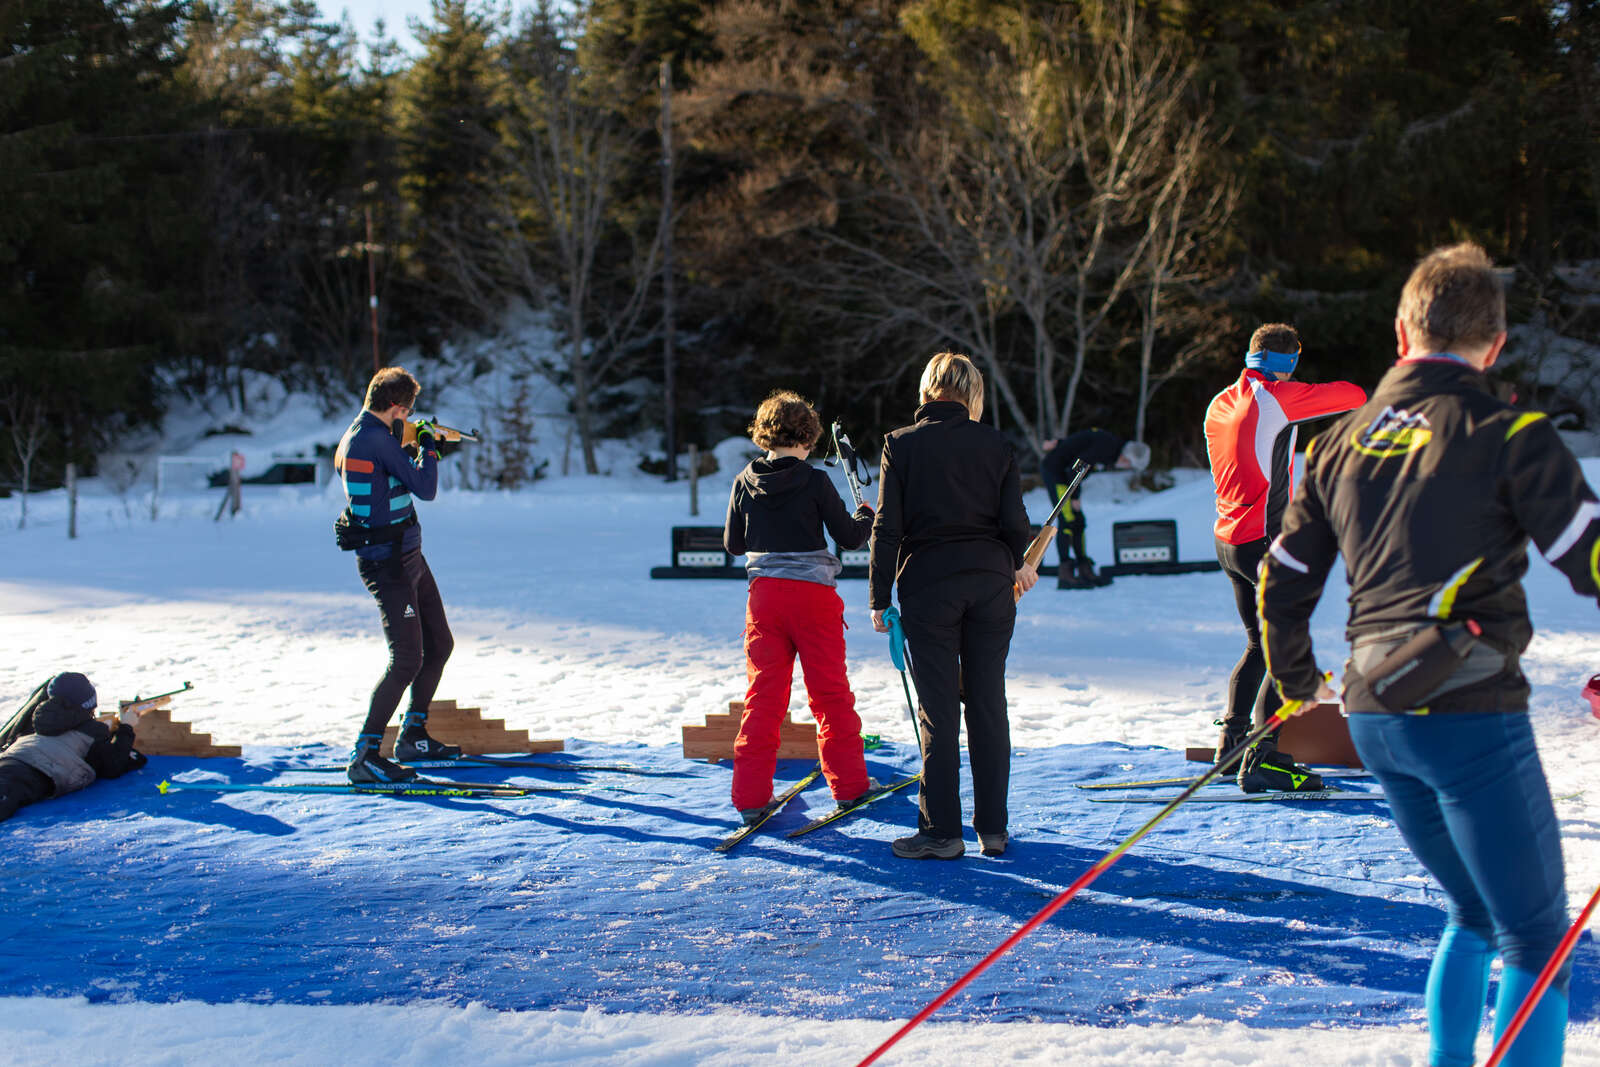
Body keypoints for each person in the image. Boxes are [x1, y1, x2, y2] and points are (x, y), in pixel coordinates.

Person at [1260, 243, 1592, 1066]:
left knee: (1474, 911)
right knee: (1536, 936)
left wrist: (1297, 682)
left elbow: (1282, 578)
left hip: (1376, 713)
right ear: (1496, 344)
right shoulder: (1508, 429)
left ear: (1402, 334)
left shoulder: (1338, 440)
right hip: (1467, 710)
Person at [868, 352, 1037, 860]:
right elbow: (1015, 522)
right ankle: (994, 829)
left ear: (926, 391)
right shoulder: (997, 443)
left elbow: (887, 527)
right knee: (988, 703)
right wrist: (1019, 564)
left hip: (929, 586)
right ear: (973, 395)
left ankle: (942, 832)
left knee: (939, 710)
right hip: (990, 585)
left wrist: (878, 597)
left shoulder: (900, 443)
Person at [1203, 323, 1365, 790]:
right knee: (1284, 649)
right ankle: (1263, 758)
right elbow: (1354, 395)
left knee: (1259, 645)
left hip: (1228, 541)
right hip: (1262, 543)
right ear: (1288, 362)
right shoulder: (1276, 397)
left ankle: (1232, 747)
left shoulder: (1220, 401)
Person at [723, 391, 877, 823]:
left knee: (763, 697)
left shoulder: (743, 480)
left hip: (765, 600)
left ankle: (751, 796)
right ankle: (850, 787)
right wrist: (866, 516)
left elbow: (733, 544)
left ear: (763, 434)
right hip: (812, 599)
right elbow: (850, 538)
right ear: (808, 437)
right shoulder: (814, 481)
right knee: (830, 694)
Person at [334, 366, 456, 784]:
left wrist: (417, 447)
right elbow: (426, 488)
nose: (409, 417)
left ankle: (413, 735)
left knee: (440, 644)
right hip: (388, 564)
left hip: (407, 556)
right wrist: (428, 447)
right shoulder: (372, 439)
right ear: (397, 408)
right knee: (406, 659)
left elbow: (392, 477)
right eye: (408, 411)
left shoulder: (367, 434)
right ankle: (365, 754)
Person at [0, 673, 146, 822]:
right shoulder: (93, 731)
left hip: (9, 759)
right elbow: (114, 765)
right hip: (35, 773)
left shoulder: (39, 721)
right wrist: (126, 727)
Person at [1038, 430, 1151, 586]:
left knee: (1079, 521)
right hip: (1056, 473)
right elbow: (1075, 468)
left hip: (1067, 476)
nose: (1126, 467)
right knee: (1067, 520)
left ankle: (1084, 568)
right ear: (1126, 458)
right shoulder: (1107, 448)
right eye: (1129, 465)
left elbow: (1083, 440)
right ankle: (1065, 574)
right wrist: (1075, 497)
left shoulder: (1112, 445)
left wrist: (1059, 442)